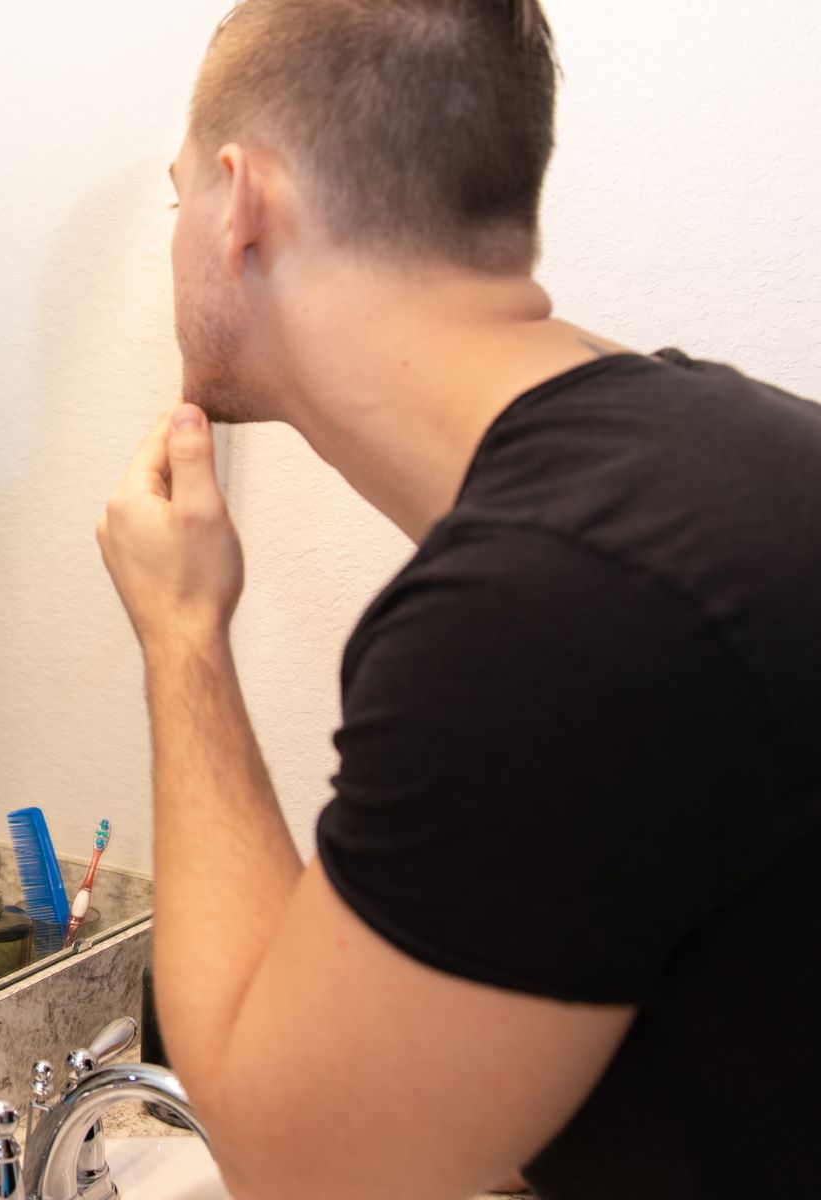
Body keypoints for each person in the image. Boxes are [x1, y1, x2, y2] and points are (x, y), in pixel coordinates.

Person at [97, 3, 821, 1198]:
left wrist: (183, 637)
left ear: (240, 205)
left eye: (180, 203)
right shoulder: (708, 460)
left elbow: (302, 1168)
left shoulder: (554, 605)